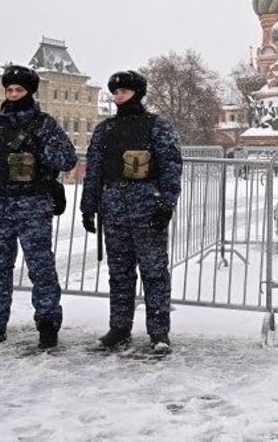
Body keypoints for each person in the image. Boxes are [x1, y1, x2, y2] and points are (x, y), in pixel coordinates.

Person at [0, 65, 77, 351]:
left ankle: (48, 326)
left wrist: (38, 150)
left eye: (19, 90)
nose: (13, 95)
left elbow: (66, 159)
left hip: (33, 205)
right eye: (9, 90)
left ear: (30, 91)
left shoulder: (44, 124)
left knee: (41, 268)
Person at [80, 70, 182, 353]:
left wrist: (166, 202)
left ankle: (159, 333)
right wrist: (88, 205)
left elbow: (171, 168)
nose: (118, 97)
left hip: (147, 205)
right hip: (113, 207)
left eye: (124, 91)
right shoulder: (105, 129)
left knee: (154, 272)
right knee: (119, 272)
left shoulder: (157, 126)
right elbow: (94, 170)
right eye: (115, 92)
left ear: (137, 93)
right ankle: (119, 327)